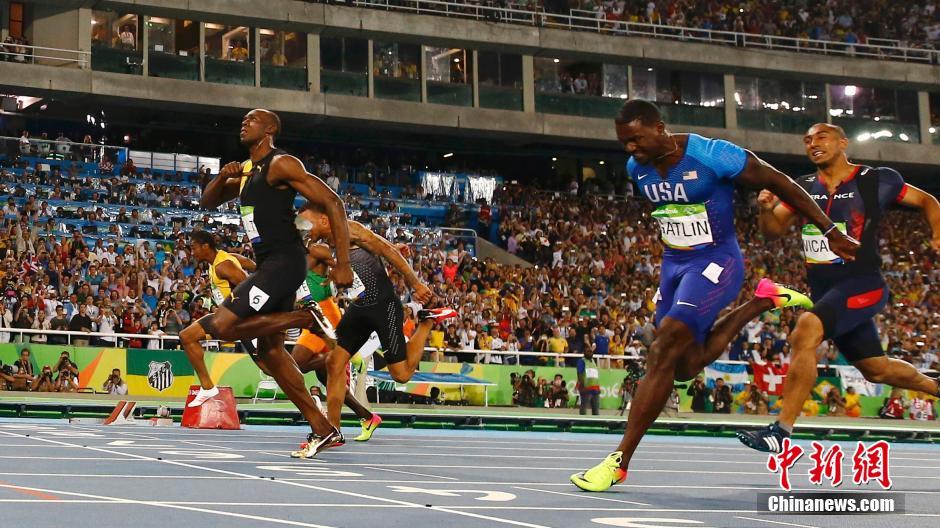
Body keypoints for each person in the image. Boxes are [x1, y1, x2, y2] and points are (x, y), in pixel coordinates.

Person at [571, 99, 857, 492]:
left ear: (659, 128)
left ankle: (618, 461)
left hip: (717, 263)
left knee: (663, 348)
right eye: (624, 142)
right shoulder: (637, 169)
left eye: (636, 139)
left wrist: (828, 229)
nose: (630, 149)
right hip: (674, 266)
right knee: (683, 367)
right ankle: (762, 300)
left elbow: (781, 182)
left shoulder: (712, 154)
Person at [738, 123, 940, 452]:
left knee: (806, 329)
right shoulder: (802, 187)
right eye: (807, 140)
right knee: (876, 369)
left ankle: (781, 431)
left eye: (822, 137)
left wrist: (937, 232)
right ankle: (935, 386)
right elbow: (773, 231)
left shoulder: (876, 180)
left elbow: (927, 200)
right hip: (827, 292)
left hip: (864, 284)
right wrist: (764, 209)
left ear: (843, 142)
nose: (813, 143)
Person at [194, 108, 354, 456]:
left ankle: (305, 318)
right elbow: (206, 201)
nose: (244, 123)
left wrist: (343, 263)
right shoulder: (246, 171)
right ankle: (323, 429)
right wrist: (223, 177)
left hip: (284, 263)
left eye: (252, 120)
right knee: (272, 355)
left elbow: (333, 202)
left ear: (269, 130)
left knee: (222, 325)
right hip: (271, 265)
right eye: (243, 119)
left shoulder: (281, 163)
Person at [292, 201, 457, 456]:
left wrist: (415, 284)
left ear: (324, 220)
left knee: (401, 375)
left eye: (306, 224)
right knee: (334, 362)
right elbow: (370, 253)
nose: (303, 229)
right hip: (359, 309)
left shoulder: (350, 229)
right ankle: (332, 431)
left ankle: (426, 321)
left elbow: (386, 250)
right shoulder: (324, 245)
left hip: (383, 306)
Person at [289, 241, 382, 445]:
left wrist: (345, 285)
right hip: (310, 313)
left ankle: (341, 355)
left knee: (297, 364)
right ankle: (367, 417)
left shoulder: (317, 248)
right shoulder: (294, 251)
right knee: (329, 380)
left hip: (324, 313)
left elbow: (344, 270)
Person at [576, 348, 601, 415]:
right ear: (584, 353)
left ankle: (596, 421)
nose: (590, 353)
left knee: (596, 409)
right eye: (588, 351)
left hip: (595, 388)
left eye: (591, 351)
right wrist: (582, 385)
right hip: (586, 388)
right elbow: (579, 374)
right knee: (584, 407)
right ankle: (582, 420)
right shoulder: (582, 361)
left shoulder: (593, 361)